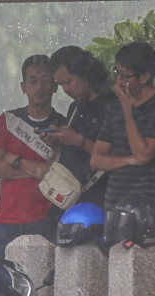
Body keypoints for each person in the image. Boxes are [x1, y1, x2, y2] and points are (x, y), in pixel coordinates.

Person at [91, 42, 155, 245]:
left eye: (125, 76)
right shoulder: (114, 108)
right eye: (117, 73)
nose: (119, 81)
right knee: (114, 258)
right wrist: (128, 161)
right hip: (114, 200)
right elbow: (96, 160)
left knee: (137, 260)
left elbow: (143, 154)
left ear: (144, 77)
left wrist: (127, 110)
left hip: (146, 206)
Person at [0, 55, 66, 261]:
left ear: (55, 86)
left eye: (46, 81)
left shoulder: (64, 127)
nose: (39, 87)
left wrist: (14, 159)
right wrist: (37, 170)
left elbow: (60, 176)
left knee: (43, 281)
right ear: (23, 87)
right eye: (33, 81)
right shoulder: (7, 120)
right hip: (6, 220)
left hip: (46, 221)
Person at [42, 46, 118, 208]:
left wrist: (79, 140)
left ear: (85, 73)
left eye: (68, 82)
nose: (66, 89)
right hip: (68, 197)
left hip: (100, 198)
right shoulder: (75, 107)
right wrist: (55, 142)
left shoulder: (113, 106)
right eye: (61, 85)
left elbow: (116, 156)